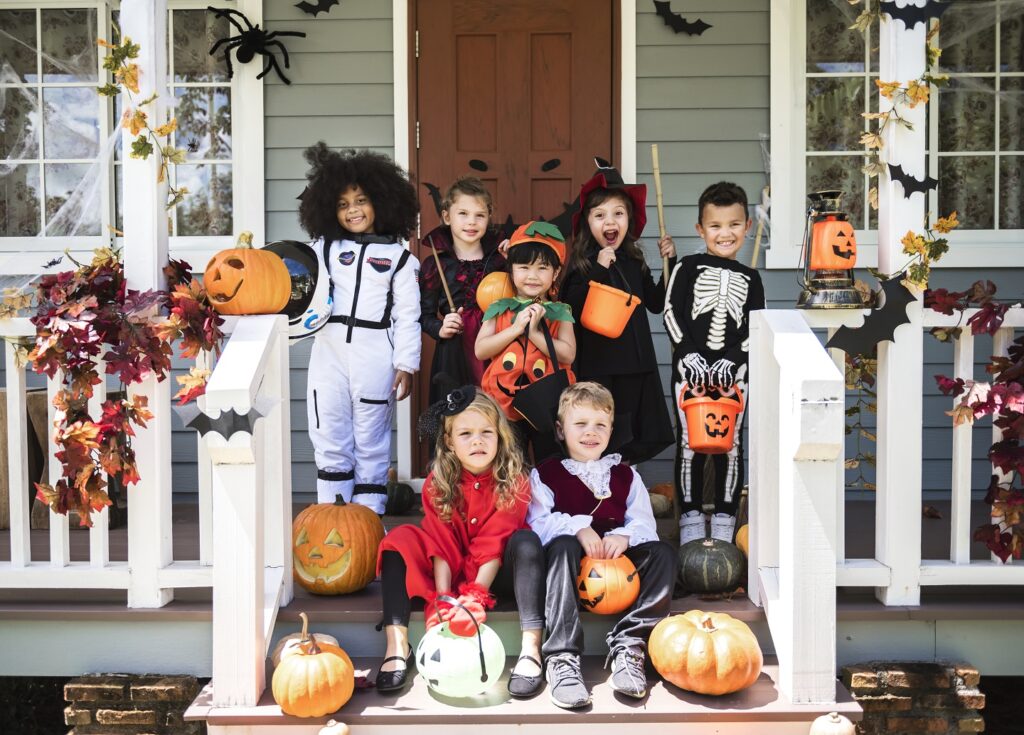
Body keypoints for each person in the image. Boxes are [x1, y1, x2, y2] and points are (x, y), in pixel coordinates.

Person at [375, 388, 547, 698]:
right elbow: (440, 543)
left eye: (486, 432)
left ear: (500, 436)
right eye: (466, 433)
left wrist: (476, 595)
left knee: (526, 542)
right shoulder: (437, 481)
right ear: (450, 442)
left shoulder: (515, 480)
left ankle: (530, 649)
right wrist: (443, 597)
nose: (477, 440)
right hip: (451, 568)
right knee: (399, 540)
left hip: (495, 575)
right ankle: (397, 646)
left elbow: (494, 543)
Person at [527, 382, 677, 709]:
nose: (590, 432)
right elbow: (537, 523)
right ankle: (562, 656)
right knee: (562, 545)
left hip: (614, 561)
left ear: (611, 430)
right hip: (569, 566)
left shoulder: (625, 475)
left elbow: (644, 525)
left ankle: (630, 643)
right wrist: (579, 528)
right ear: (560, 429)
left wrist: (624, 537)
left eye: (600, 425)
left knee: (663, 553)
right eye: (580, 424)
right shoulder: (546, 474)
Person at [298, 142, 421, 514]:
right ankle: (332, 515)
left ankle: (368, 519)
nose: (353, 210)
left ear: (382, 202)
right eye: (342, 204)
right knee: (328, 429)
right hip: (329, 350)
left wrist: (407, 364)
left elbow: (407, 315)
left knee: (371, 437)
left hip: (375, 354)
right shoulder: (322, 250)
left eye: (361, 200)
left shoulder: (400, 259)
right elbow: (294, 281)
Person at [663, 182, 766, 545]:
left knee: (731, 444)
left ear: (747, 227)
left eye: (734, 225)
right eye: (716, 226)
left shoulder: (751, 279)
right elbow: (671, 313)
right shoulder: (687, 268)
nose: (725, 233)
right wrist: (688, 353)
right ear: (701, 230)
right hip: (689, 371)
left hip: (734, 374)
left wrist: (732, 359)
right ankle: (690, 517)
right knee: (689, 444)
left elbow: (757, 326)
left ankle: (725, 517)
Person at [560, 162, 676, 465]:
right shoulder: (582, 265)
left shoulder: (634, 261)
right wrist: (598, 268)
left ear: (628, 220)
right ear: (588, 223)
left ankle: (625, 486)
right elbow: (570, 307)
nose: (609, 221)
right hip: (600, 366)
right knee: (602, 429)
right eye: (600, 215)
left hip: (635, 365)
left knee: (631, 436)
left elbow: (655, 302)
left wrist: (670, 264)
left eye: (618, 214)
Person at [476, 221, 576, 460]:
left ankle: (551, 498)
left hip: (547, 403)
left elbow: (568, 354)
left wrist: (534, 334)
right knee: (510, 461)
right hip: (504, 402)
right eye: (524, 267)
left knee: (551, 460)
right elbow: (481, 350)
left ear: (556, 273)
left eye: (542, 268)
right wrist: (516, 329)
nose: (532, 276)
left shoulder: (560, 311)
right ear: (511, 269)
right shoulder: (499, 307)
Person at [419, 176, 506, 403]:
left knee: (493, 408)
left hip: (494, 342)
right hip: (454, 350)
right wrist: (440, 327)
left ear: (488, 218)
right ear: (447, 217)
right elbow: (423, 315)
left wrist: (514, 261)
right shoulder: (435, 265)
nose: (472, 222)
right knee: (456, 411)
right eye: (463, 214)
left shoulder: (499, 260)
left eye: (480, 215)